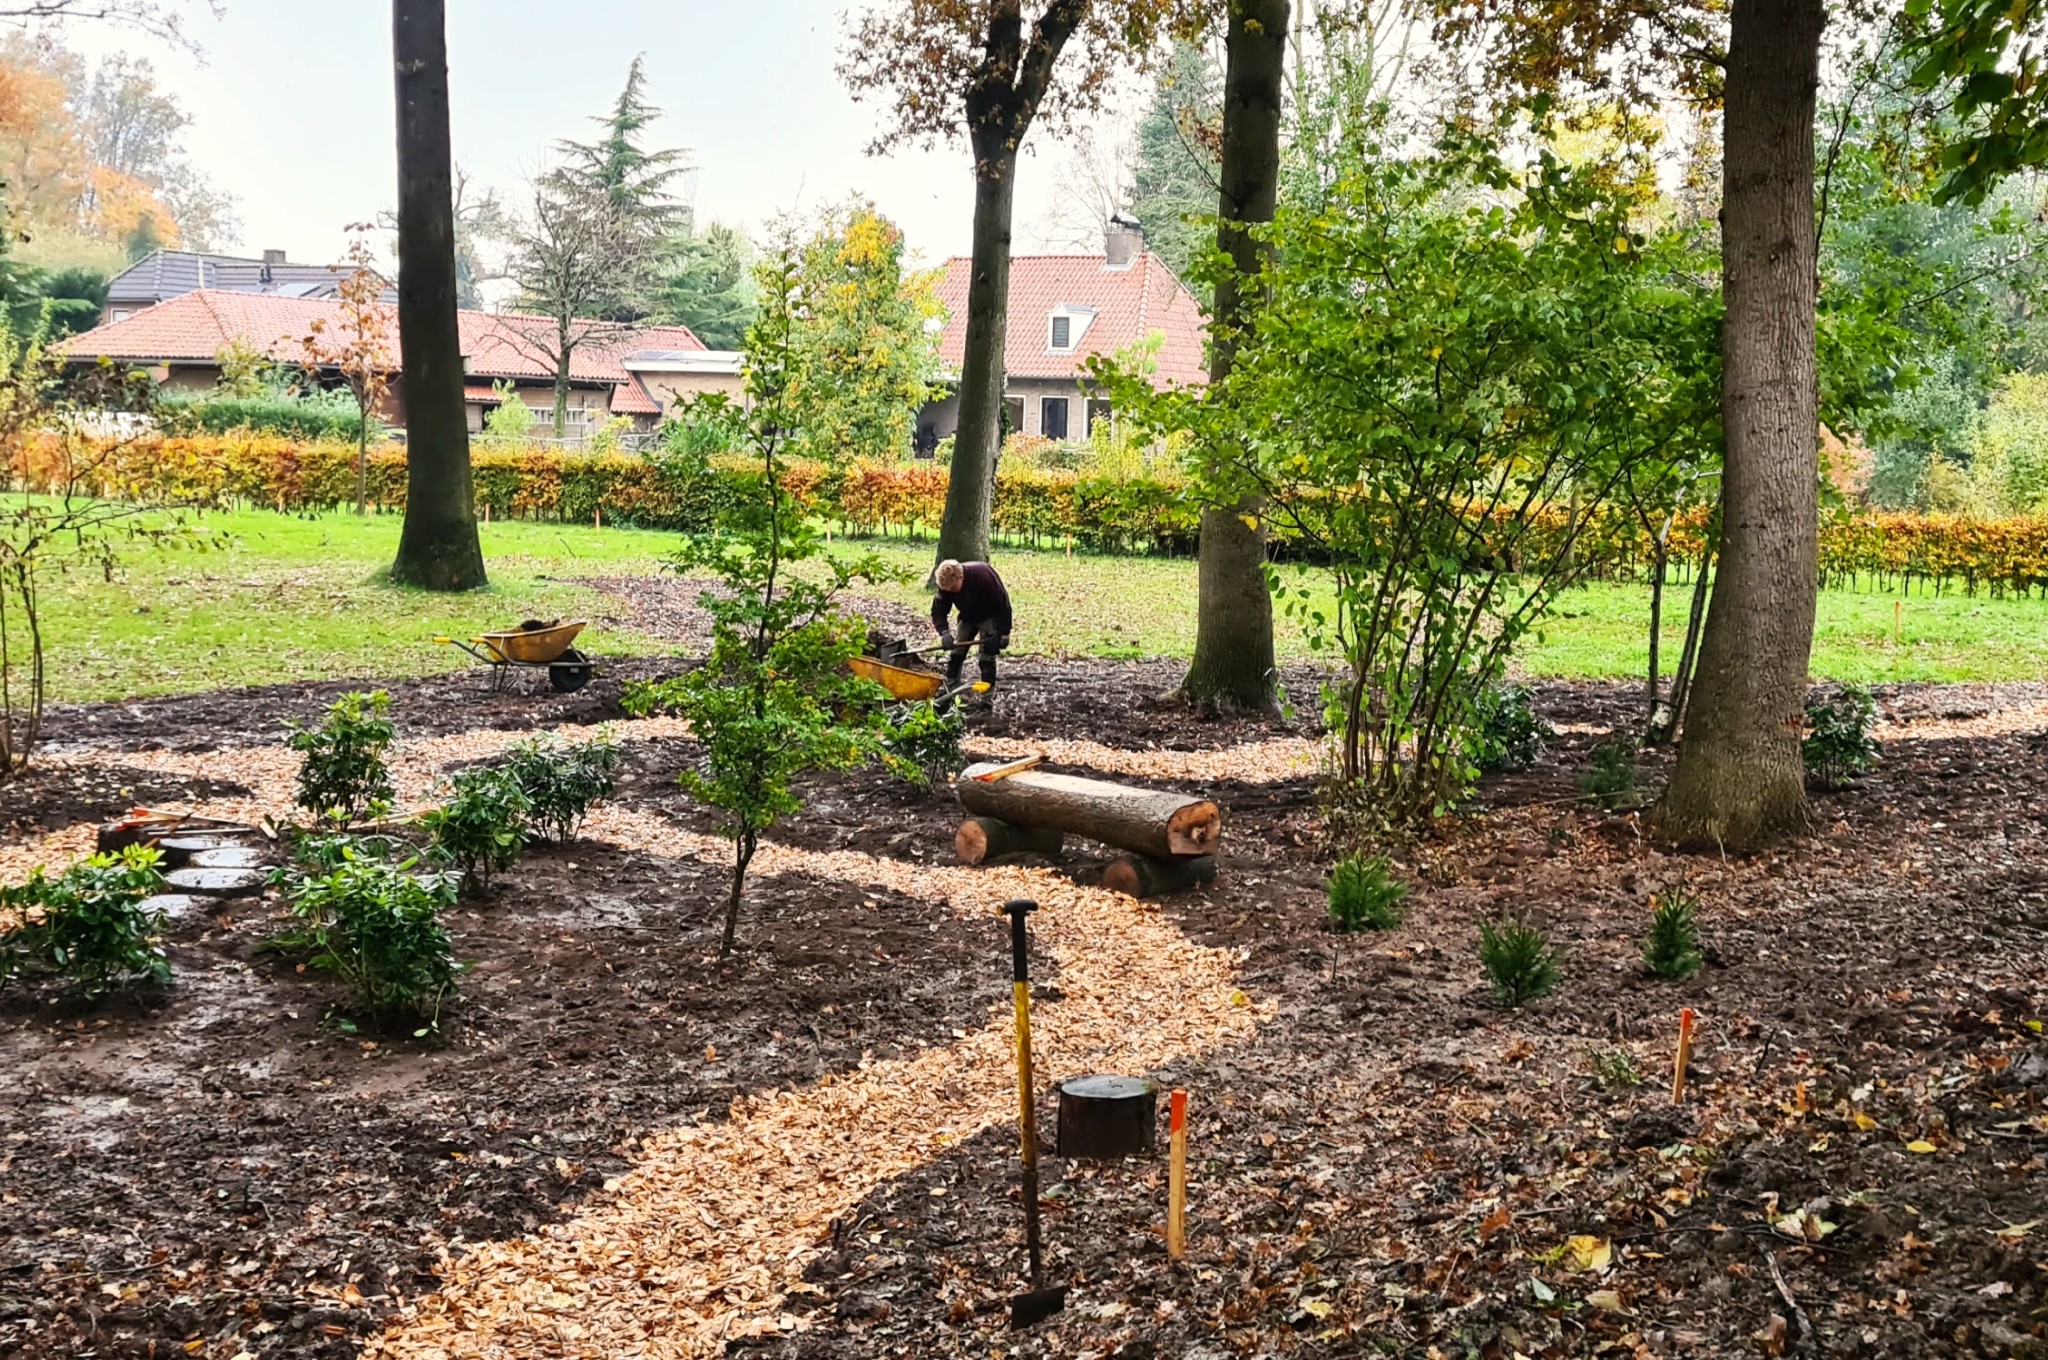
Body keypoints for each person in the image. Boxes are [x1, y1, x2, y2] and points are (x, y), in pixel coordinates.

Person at [931, 558, 1012, 702]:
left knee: (986, 657)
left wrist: (1004, 633)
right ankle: (951, 690)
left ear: (960, 577)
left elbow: (1003, 604)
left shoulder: (983, 577)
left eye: (952, 589)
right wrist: (944, 633)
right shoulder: (946, 584)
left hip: (990, 615)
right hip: (967, 615)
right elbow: (938, 611)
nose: (949, 591)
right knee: (956, 652)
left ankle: (986, 701)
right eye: (946, 589)